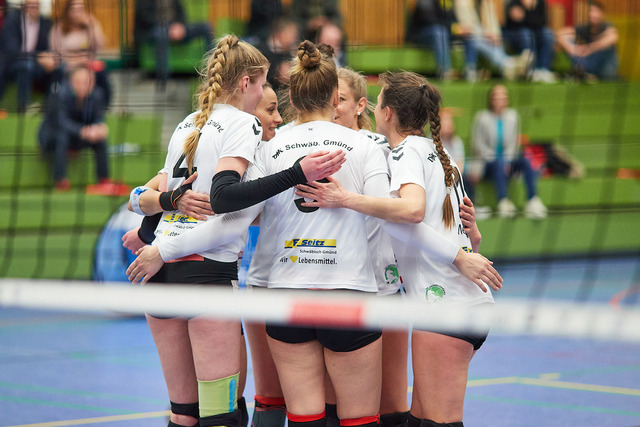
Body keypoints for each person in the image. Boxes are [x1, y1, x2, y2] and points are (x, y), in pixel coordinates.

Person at [294, 70, 502, 427]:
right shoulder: (440, 154)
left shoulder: (406, 152)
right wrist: (465, 250)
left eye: (378, 103)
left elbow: (410, 214)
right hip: (456, 301)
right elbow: (471, 235)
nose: (375, 110)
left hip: (446, 305)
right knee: (419, 420)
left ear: (388, 113)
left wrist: (344, 198)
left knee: (439, 422)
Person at [332, 66, 408, 427]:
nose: (333, 106)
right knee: (338, 403)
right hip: (335, 286)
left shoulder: (381, 147)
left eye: (341, 99)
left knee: (392, 401)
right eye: (329, 98)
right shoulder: (310, 143)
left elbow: (408, 205)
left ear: (361, 105)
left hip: (383, 283)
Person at [38, 65, 127, 195]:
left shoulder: (97, 95)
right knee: (62, 136)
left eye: (87, 82)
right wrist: (83, 131)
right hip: (51, 138)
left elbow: (98, 118)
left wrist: (99, 128)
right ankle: (60, 179)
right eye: (79, 82)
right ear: (71, 82)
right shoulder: (59, 94)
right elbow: (60, 122)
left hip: (77, 138)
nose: (83, 86)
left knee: (100, 139)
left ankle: (103, 180)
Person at [468, 84, 547, 219]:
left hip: (508, 161)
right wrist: (498, 159)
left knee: (526, 160)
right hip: (487, 163)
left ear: (507, 99)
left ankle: (533, 200)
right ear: (491, 99)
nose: (500, 99)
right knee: (498, 163)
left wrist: (507, 160)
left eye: (503, 96)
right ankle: (503, 201)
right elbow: (478, 145)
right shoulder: (482, 117)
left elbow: (514, 144)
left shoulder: (513, 116)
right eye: (496, 96)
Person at [134, 0, 213, 90]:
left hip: (174, 28)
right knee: (161, 34)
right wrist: (168, 27)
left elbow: (181, 13)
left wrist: (179, 26)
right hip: (152, 29)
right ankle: (163, 77)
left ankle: (211, 68)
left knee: (205, 27)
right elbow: (145, 18)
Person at [47, 0, 111, 105]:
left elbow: (101, 45)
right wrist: (75, 61)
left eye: (81, 9)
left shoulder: (89, 25)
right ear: (68, 11)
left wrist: (92, 26)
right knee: (59, 72)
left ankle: (104, 105)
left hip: (88, 65)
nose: (77, 13)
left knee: (102, 72)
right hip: (67, 66)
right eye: (74, 10)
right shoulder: (58, 28)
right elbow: (55, 53)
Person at [454, 0, 532, 81]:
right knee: (475, 40)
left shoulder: (486, 3)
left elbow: (494, 25)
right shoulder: (463, 3)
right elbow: (467, 27)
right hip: (469, 36)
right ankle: (509, 64)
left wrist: (495, 36)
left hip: (485, 38)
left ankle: (508, 65)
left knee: (495, 42)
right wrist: (485, 34)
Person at [0, 0, 53, 112]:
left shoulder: (46, 23)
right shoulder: (13, 20)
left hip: (37, 64)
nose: (33, 8)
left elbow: (48, 47)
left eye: (36, 5)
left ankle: (50, 107)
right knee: (25, 66)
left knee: (58, 69)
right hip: (12, 63)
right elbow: (12, 50)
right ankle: (24, 107)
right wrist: (38, 56)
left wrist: (49, 58)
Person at [556, 1, 618, 81]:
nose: (593, 14)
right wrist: (572, 49)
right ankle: (585, 73)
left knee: (606, 45)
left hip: (604, 68)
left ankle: (586, 73)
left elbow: (613, 38)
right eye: (591, 11)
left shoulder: (607, 26)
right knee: (567, 39)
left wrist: (589, 48)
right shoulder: (585, 28)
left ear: (601, 13)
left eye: (596, 11)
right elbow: (561, 34)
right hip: (589, 62)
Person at [406, 0, 463, 80]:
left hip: (443, 33)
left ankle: (469, 71)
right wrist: (451, 28)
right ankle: (445, 70)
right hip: (421, 35)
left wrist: (459, 28)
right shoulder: (424, 2)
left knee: (468, 35)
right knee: (439, 32)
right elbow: (430, 20)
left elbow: (453, 19)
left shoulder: (445, 2)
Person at [503, 0, 556, 83]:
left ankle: (543, 70)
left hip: (535, 31)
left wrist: (526, 15)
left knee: (547, 34)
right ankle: (531, 70)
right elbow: (513, 23)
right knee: (527, 34)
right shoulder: (514, 2)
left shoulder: (540, 3)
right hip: (515, 33)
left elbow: (542, 21)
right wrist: (529, 16)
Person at [256, 17, 299, 92]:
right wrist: (276, 71)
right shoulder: (261, 51)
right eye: (291, 34)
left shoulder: (290, 53)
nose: (295, 38)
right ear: (279, 34)